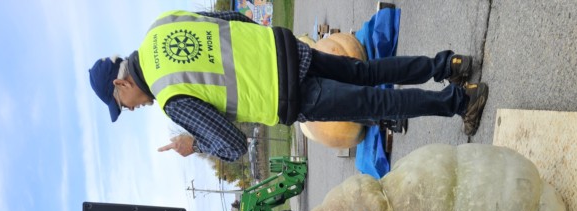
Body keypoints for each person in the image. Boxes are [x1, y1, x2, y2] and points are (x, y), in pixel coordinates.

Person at [88, 9, 490, 163]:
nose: (131, 107)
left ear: (121, 82)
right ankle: (449, 65)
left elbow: (232, 144)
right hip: (287, 50)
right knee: (367, 72)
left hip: (287, 94)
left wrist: (194, 144)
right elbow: (232, 19)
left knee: (376, 102)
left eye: (122, 103)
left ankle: (462, 101)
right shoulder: (161, 26)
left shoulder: (170, 97)